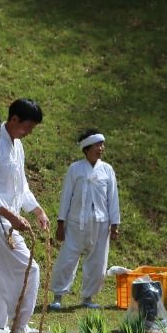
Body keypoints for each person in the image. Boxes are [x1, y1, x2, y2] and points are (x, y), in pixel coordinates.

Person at [0, 98, 49, 333]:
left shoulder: (17, 146)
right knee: (31, 269)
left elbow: (22, 186)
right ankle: (19, 329)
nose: (28, 133)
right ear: (14, 119)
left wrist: (37, 209)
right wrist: (11, 216)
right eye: (27, 127)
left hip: (12, 216)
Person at [49, 129, 120, 309]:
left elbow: (113, 198)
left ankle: (88, 298)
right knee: (67, 259)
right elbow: (66, 196)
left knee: (98, 262)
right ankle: (58, 296)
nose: (101, 148)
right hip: (75, 223)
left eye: (102, 145)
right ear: (87, 148)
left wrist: (115, 224)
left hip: (101, 223)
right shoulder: (75, 169)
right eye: (98, 145)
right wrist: (60, 222)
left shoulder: (107, 170)